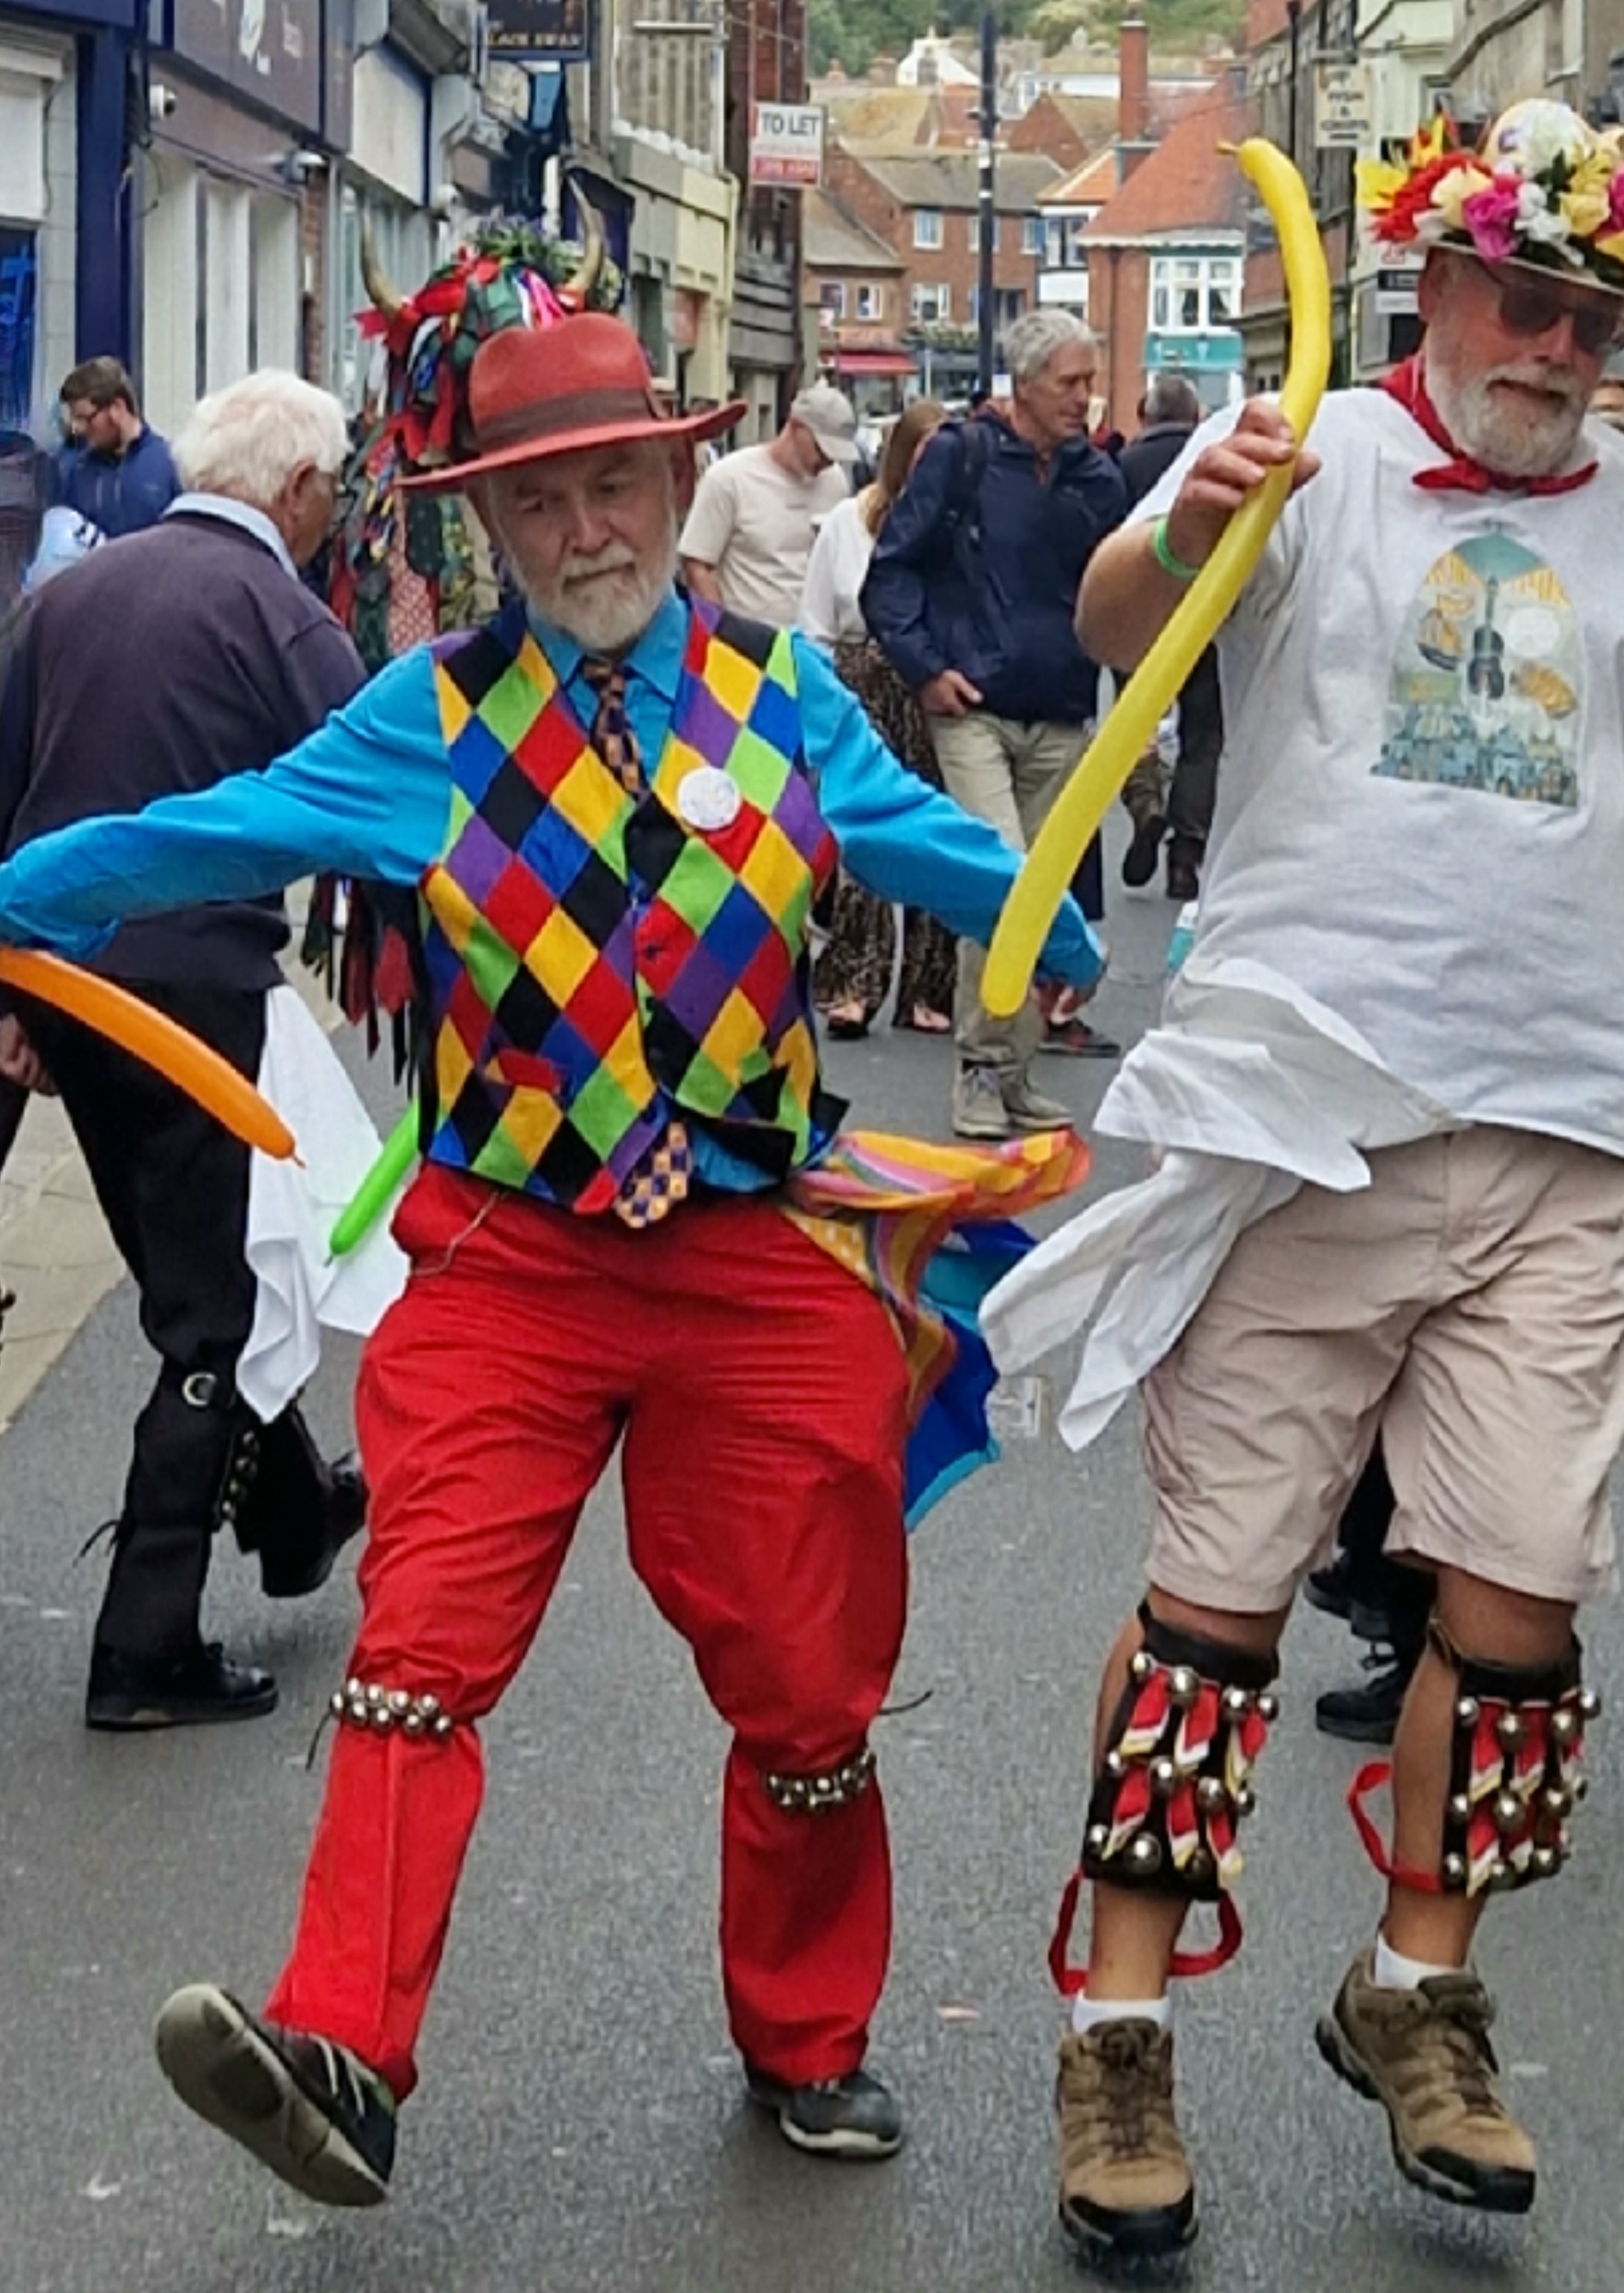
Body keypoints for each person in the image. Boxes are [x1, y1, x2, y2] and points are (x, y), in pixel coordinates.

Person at [978, 100, 1624, 2266]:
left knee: (1524, 1614)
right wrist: (1190, 520)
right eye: (1528, 300)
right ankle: (1119, 2031)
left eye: (1596, 316)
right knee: (1219, 1612)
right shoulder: (1319, 457)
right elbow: (1112, 629)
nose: (1560, 345)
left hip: (1551, 1135)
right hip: (1298, 1116)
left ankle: (1418, 1992)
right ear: (1435, 287)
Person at [0, 312, 1102, 2205]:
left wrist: (1060, 924)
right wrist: (23, 894)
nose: (584, 528)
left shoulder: (789, 702)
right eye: (537, 499)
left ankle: (809, 2031)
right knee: (420, 1647)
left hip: (757, 1254)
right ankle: (340, 2048)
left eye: (613, 483)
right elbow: (207, 831)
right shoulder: (419, 722)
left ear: (680, 485)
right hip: (514, 1263)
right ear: (489, 525)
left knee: (810, 1675)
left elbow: (934, 848)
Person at [0, 371, 371, 1729]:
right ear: (300, 490)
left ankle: (295, 1509)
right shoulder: (283, 615)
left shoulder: (68, 594)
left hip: (61, 983)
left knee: (186, 1263)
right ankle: (142, 1648)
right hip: (197, 992)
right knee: (211, 1311)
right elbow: (378, 796)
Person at [865, 309, 1128, 1139]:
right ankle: (980, 1073)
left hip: (1061, 711)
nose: (1084, 400)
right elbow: (891, 572)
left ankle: (1014, 1075)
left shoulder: (1096, 479)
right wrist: (923, 669)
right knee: (1006, 883)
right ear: (1025, 384)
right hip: (975, 707)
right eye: (1071, 384)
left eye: (1090, 382)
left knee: (1043, 896)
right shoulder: (962, 455)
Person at [801, 396, 958, 1040]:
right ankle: (854, 983)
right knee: (860, 829)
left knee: (929, 827)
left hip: (929, 678)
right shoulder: (848, 520)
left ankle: (929, 987)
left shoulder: (956, 524)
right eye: (925, 454)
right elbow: (816, 618)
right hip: (858, 675)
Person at [1119, 376, 1221, 902]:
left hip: (1139, 610)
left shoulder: (1124, 466)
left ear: (1146, 415)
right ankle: (1186, 854)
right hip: (1202, 614)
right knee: (1203, 735)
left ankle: (1145, 804)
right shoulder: (1212, 460)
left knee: (1133, 722)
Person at [677, 384, 856, 624]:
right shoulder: (730, 479)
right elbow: (697, 563)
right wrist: (721, 628)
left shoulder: (835, 484)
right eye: (821, 448)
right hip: (749, 643)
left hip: (814, 641)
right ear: (795, 426)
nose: (827, 460)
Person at [53, 358, 181, 541]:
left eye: (85, 418)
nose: (79, 429)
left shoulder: (169, 467)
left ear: (117, 408)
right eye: (75, 421)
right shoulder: (74, 470)